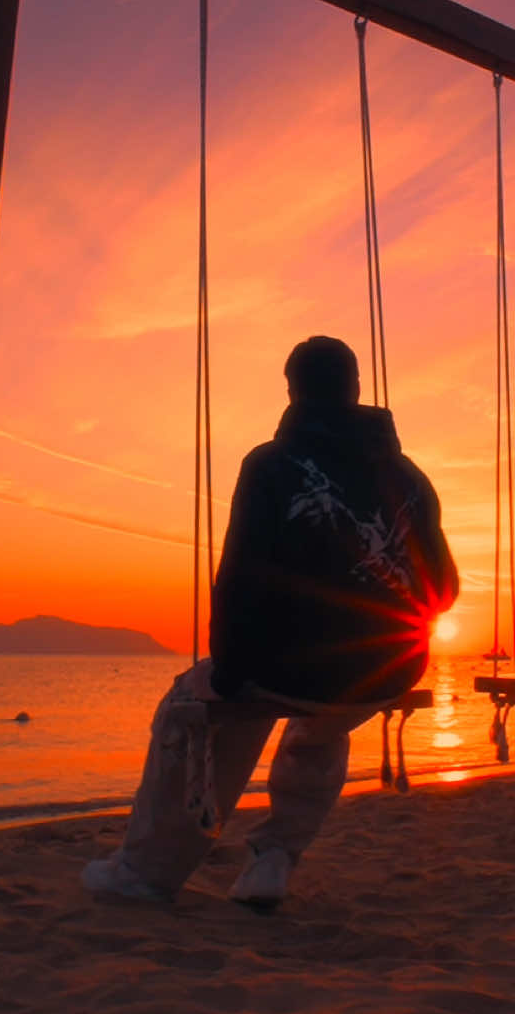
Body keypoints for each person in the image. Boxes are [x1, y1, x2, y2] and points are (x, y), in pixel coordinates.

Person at [82, 336, 458, 908]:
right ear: (357, 390)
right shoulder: (409, 475)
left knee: (193, 710)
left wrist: (229, 678)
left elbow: (239, 580)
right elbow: (446, 590)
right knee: (323, 724)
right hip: (387, 672)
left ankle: (144, 873)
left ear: (292, 393)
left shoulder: (271, 464)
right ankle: (273, 859)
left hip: (290, 669)